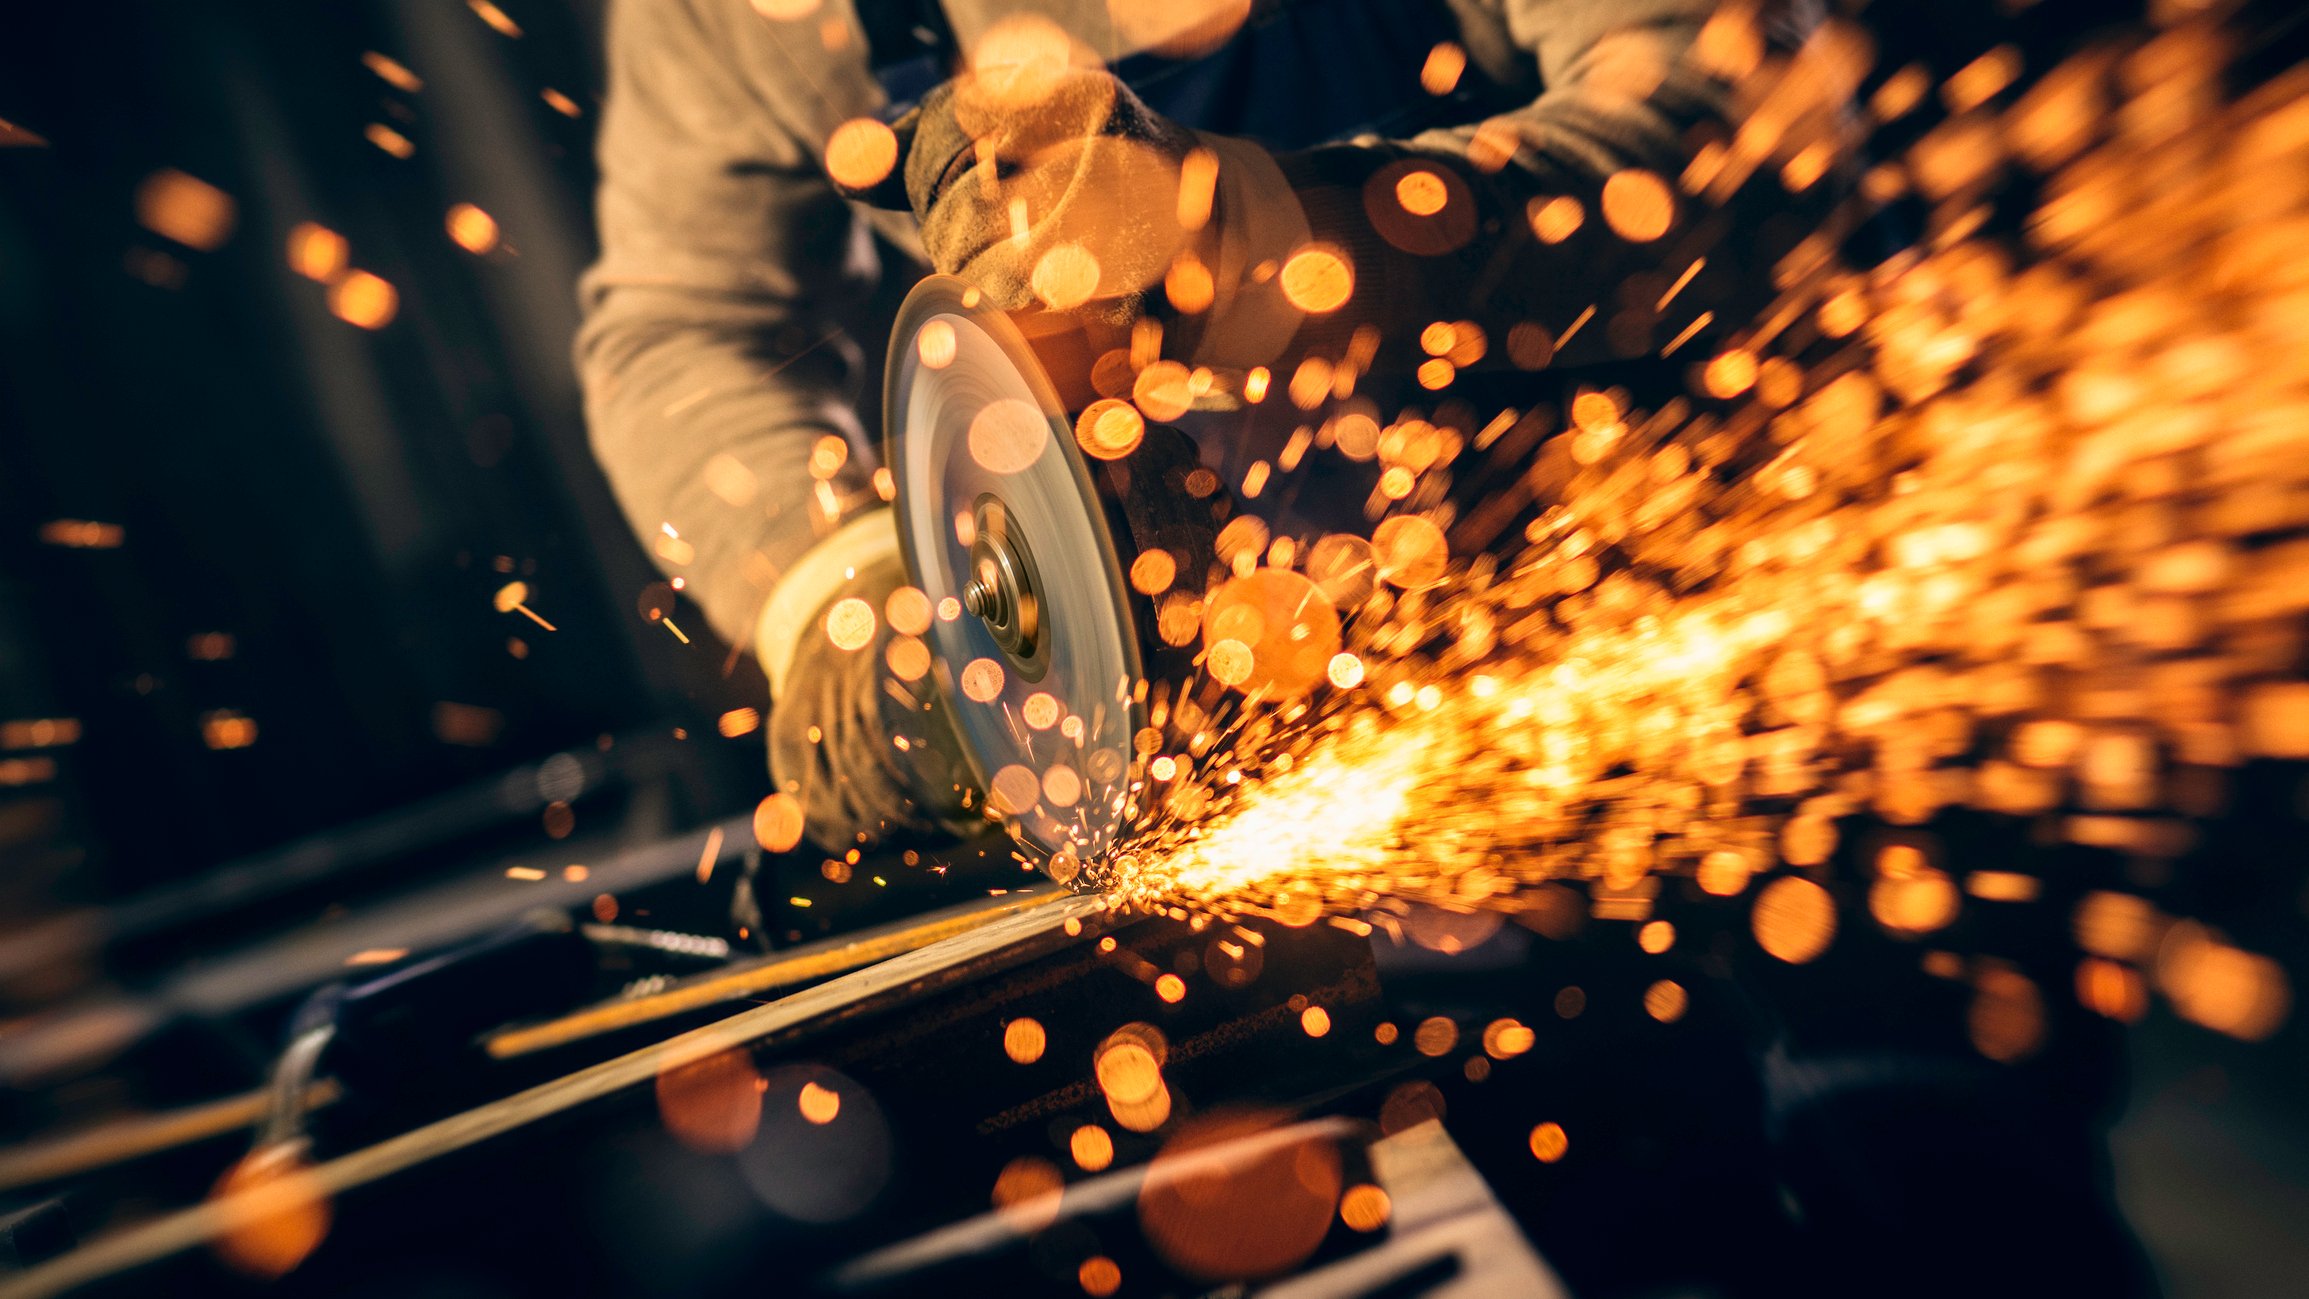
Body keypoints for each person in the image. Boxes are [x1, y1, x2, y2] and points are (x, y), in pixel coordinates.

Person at [576, 0, 1797, 855]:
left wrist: (1240, 241)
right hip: (1302, 778)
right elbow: (683, 327)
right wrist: (831, 583)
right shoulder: (745, 13)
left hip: (1738, 630)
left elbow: (1727, 124)